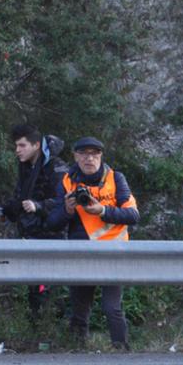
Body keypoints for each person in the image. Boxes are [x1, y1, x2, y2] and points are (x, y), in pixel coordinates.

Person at [53, 136, 139, 350]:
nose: (89, 158)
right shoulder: (66, 181)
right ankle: (77, 351)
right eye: (83, 154)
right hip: (81, 252)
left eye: (94, 154)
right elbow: (52, 222)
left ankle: (121, 348)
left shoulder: (116, 179)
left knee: (112, 307)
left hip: (113, 252)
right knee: (79, 308)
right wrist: (67, 210)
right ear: (75, 156)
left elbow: (133, 215)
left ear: (101, 156)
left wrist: (103, 211)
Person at [0, 123, 67, 322]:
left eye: (22, 146)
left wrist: (38, 206)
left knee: (49, 291)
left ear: (36, 145)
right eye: (16, 146)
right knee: (36, 291)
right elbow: (20, 199)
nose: (17, 151)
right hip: (31, 235)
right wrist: (6, 210)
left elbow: (64, 201)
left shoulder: (56, 167)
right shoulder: (26, 168)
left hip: (52, 237)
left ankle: (52, 334)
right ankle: (40, 333)